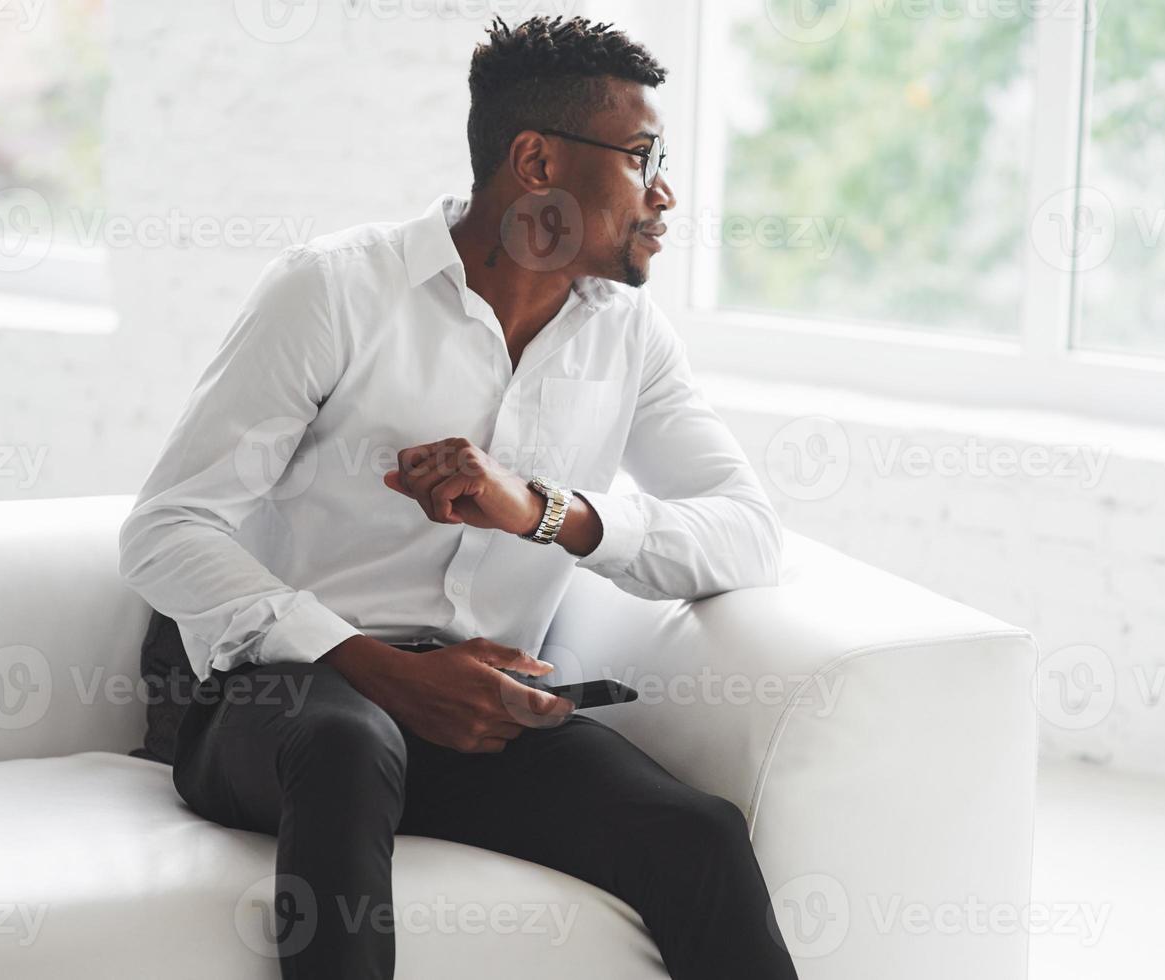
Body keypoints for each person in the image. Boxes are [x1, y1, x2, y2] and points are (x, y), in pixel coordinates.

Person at [118, 13, 796, 980]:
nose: (666, 192)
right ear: (534, 163)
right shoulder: (335, 290)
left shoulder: (628, 335)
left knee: (698, 834)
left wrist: (545, 512)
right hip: (274, 700)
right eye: (644, 157)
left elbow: (750, 534)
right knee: (350, 745)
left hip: (474, 706)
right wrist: (372, 666)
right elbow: (165, 529)